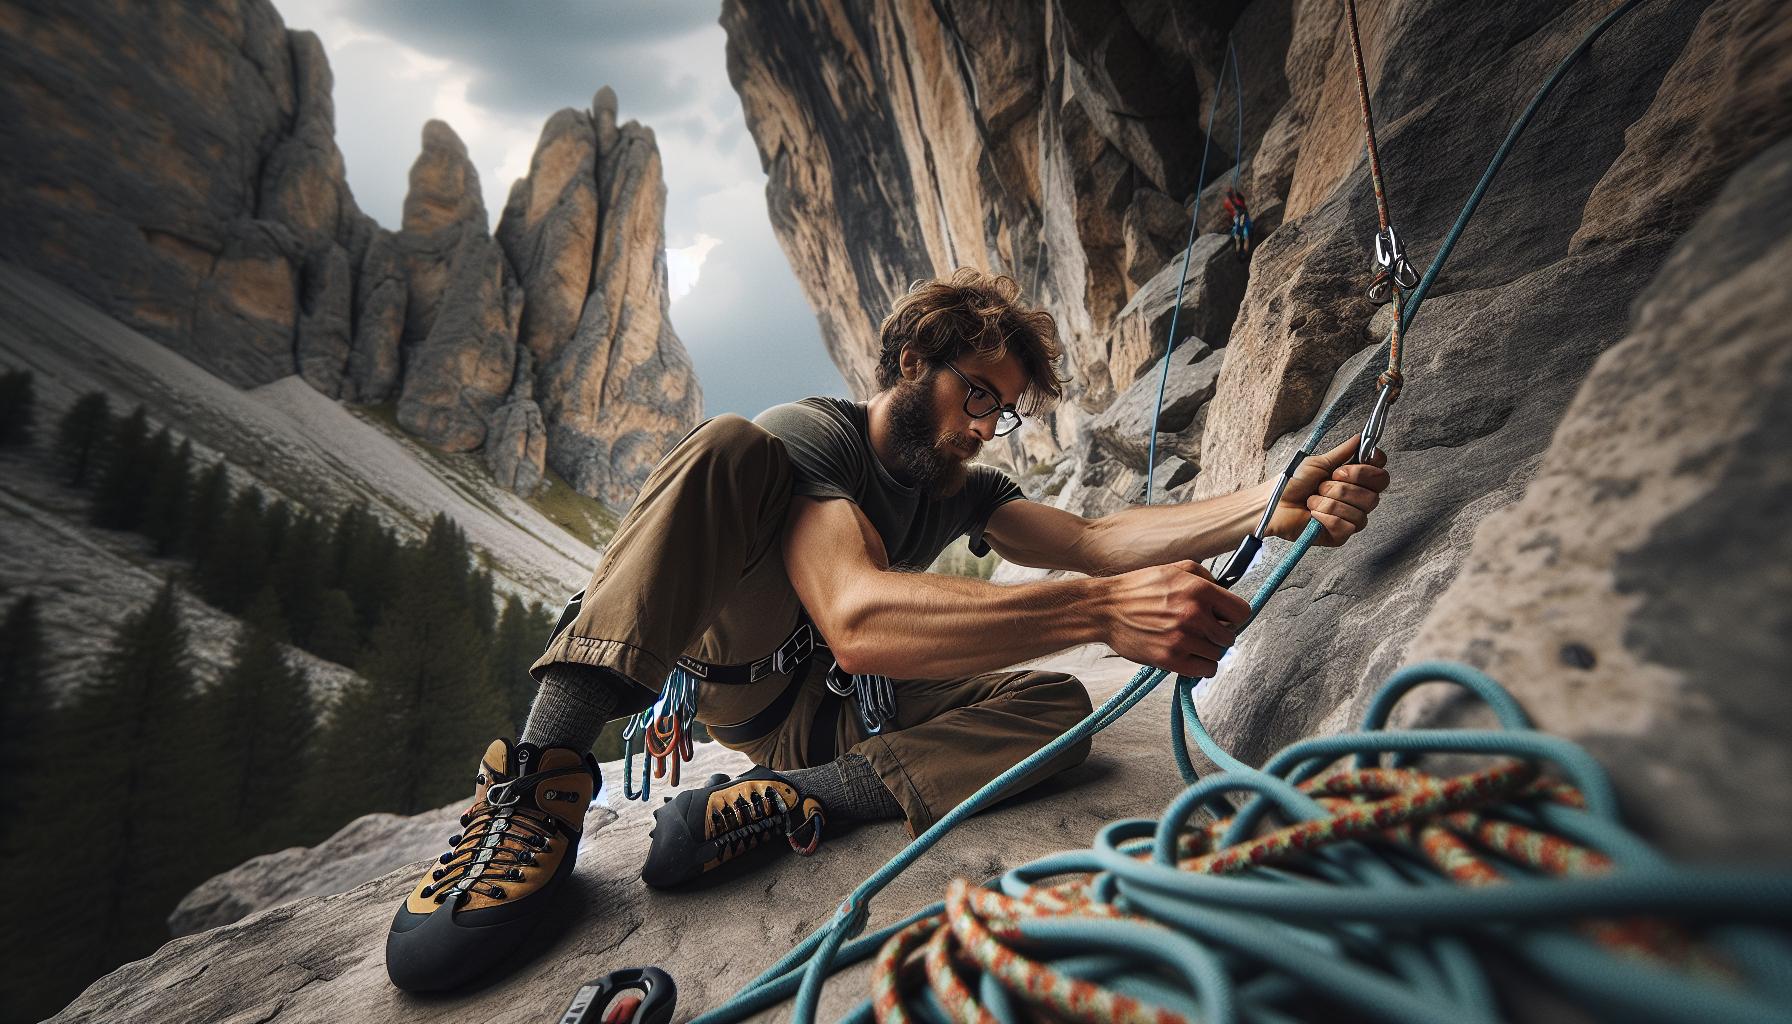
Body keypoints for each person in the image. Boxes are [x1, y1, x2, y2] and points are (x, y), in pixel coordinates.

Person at [384, 268, 1392, 992]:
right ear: (914, 361)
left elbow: (1091, 539)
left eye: (1002, 412)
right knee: (729, 444)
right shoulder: (814, 437)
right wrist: (1098, 612)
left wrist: (1272, 501)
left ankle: (793, 801)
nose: (984, 426)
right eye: (976, 394)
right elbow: (857, 617)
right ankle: (538, 784)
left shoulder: (957, 486)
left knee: (1055, 709)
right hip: (752, 674)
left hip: (836, 718)